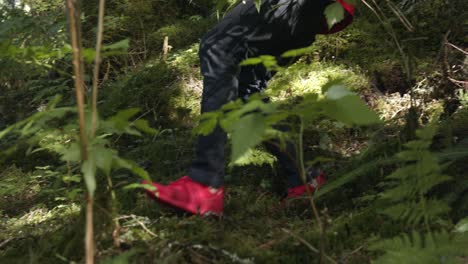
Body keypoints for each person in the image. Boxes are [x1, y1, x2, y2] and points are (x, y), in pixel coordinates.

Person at [143, 0, 355, 216]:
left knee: (218, 46)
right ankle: (305, 177)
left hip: (291, 6)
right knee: (245, 92)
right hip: (311, 19)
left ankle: (204, 182)